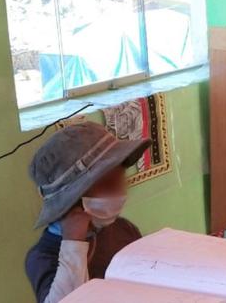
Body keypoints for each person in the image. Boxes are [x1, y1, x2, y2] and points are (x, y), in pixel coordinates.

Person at [25, 121, 151, 303]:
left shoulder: (124, 229)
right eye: (108, 185)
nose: (122, 192)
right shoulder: (42, 258)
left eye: (121, 180)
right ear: (73, 200)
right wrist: (73, 243)